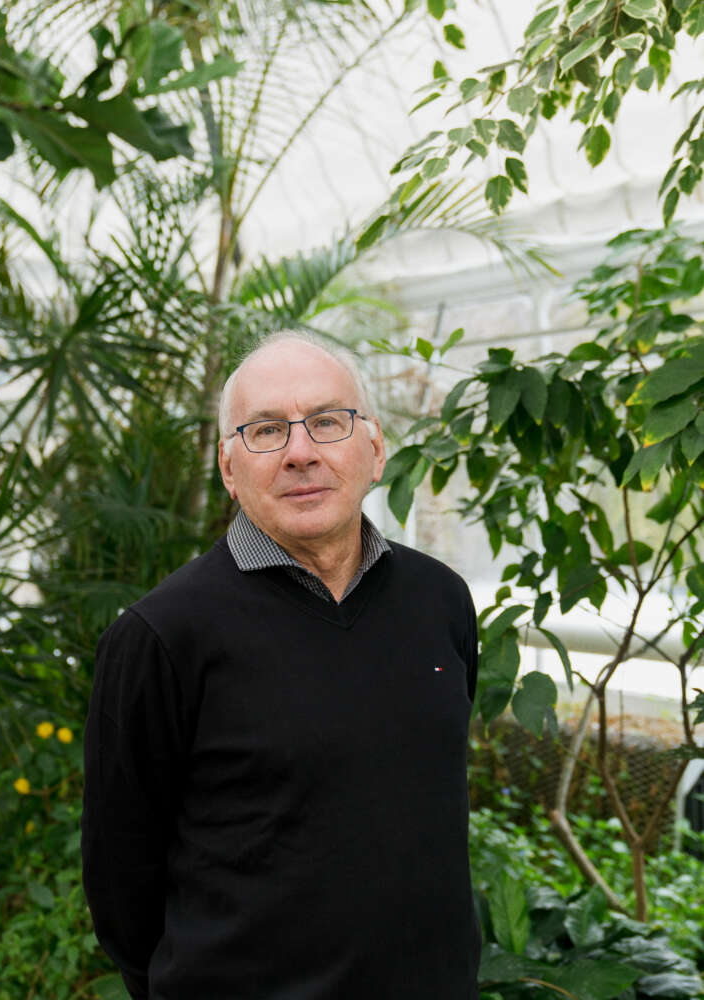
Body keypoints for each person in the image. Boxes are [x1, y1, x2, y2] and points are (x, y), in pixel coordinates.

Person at [81, 330, 481, 999]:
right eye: (266, 431)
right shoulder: (161, 636)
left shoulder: (440, 599)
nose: (301, 452)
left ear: (375, 448)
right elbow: (121, 880)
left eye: (327, 421)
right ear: (228, 467)